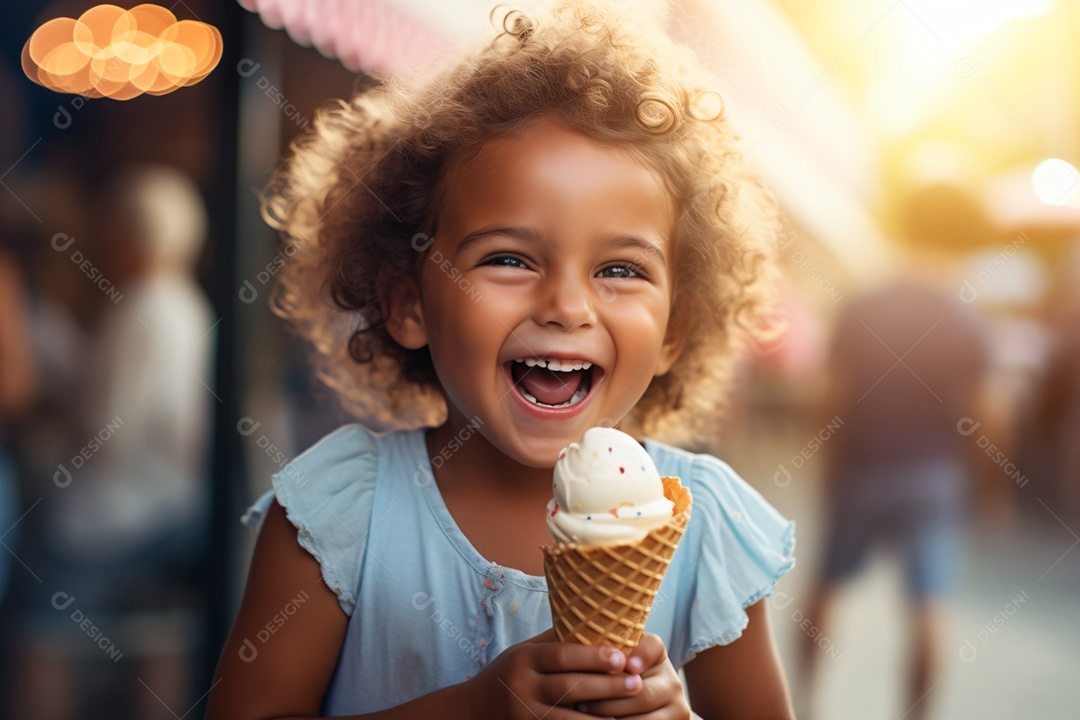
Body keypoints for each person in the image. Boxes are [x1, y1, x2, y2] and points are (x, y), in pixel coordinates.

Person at [207, 2, 796, 718]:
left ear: (675, 328)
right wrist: (473, 710)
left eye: (620, 270)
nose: (568, 306)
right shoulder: (340, 518)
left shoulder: (704, 530)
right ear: (409, 303)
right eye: (509, 259)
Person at [796, 246, 989, 720]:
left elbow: (833, 393)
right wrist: (990, 485)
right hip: (934, 474)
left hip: (863, 468)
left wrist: (824, 463)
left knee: (825, 586)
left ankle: (802, 702)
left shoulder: (864, 305)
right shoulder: (962, 314)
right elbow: (987, 409)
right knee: (930, 603)